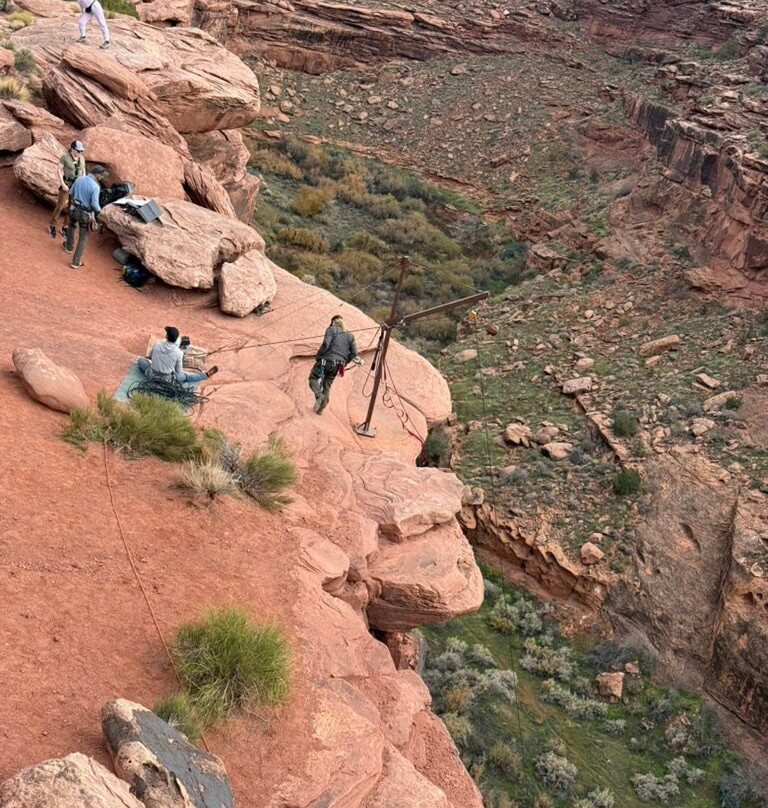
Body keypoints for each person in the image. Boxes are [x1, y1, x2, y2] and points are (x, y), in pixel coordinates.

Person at [309, 315, 363, 414]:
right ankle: (321, 409)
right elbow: (354, 353)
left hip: (326, 361)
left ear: (333, 322)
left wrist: (319, 356)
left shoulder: (331, 329)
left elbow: (326, 344)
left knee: (313, 378)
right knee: (327, 385)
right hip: (338, 365)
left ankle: (319, 395)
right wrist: (345, 362)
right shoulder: (350, 336)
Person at [63, 164, 109, 269]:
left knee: (71, 226)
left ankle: (68, 247)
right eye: (101, 175)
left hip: (74, 209)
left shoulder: (79, 179)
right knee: (83, 238)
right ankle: (75, 262)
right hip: (85, 214)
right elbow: (94, 205)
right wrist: (100, 211)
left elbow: (71, 192)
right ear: (97, 174)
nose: (102, 177)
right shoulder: (95, 186)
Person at [138, 327, 219, 384]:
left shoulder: (157, 344)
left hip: (151, 375)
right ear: (176, 339)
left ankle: (205, 375)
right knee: (186, 377)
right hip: (167, 380)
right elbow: (178, 371)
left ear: (166, 336)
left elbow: (150, 357)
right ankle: (205, 375)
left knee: (141, 361)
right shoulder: (179, 352)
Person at [49, 140, 85, 238]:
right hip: (67, 183)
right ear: (72, 149)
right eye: (78, 151)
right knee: (60, 205)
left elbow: (83, 171)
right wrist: (62, 184)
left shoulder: (81, 158)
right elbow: (59, 170)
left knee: (72, 207)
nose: (80, 153)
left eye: (81, 151)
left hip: (76, 186)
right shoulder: (65, 157)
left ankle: (65, 227)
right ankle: (52, 225)